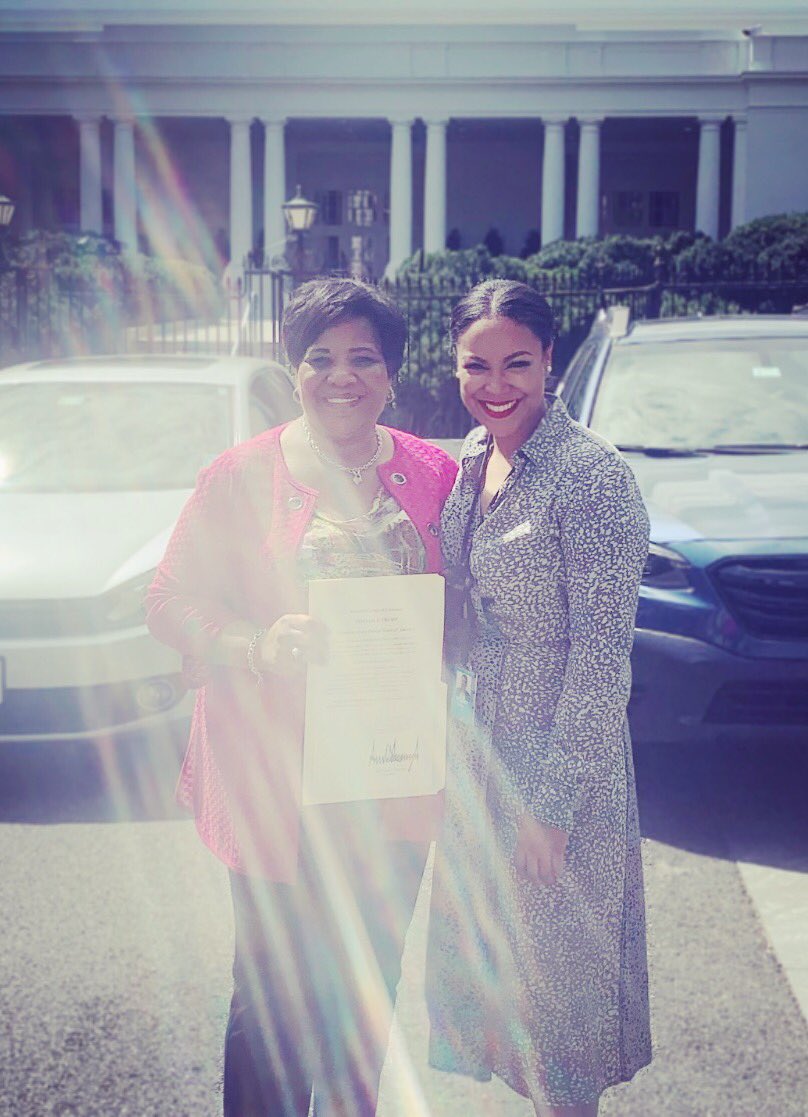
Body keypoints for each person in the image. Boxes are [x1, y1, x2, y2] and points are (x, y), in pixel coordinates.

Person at [146, 277, 457, 1117]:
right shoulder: (240, 474)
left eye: (363, 357)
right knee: (272, 1000)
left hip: (388, 776)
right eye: (320, 358)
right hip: (275, 784)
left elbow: (465, 607)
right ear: (294, 370)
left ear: (393, 372)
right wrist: (254, 644)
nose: (341, 375)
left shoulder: (434, 473)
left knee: (367, 990)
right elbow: (168, 600)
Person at [426, 279, 652, 1117]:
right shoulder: (473, 461)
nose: (497, 384)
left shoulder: (591, 479)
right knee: (502, 988)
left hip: (556, 772)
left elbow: (602, 662)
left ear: (550, 360)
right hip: (480, 760)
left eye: (517, 362)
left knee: (560, 1010)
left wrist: (552, 806)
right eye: (476, 365)